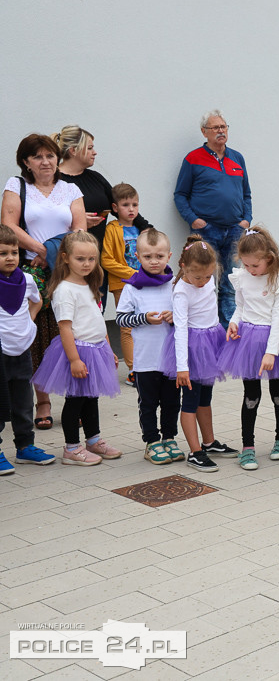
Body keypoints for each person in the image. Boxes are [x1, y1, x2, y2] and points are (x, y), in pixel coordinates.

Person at [1, 134, 87, 430]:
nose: (45, 161)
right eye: (37, 157)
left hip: (66, 269)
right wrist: (40, 251)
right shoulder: (17, 186)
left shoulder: (70, 188)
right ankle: (44, 401)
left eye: (50, 155)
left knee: (69, 332)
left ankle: (74, 401)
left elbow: (79, 230)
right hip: (30, 271)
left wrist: (53, 254)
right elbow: (8, 225)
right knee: (37, 335)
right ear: (26, 162)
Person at [32, 232, 121, 466]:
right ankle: (72, 448)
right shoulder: (64, 290)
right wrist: (74, 360)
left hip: (96, 348)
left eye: (92, 259)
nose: (87, 264)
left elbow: (98, 322)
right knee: (76, 401)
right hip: (78, 351)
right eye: (80, 259)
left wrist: (109, 349)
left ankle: (94, 440)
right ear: (65, 258)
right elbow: (65, 329)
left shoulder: (89, 284)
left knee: (91, 398)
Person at [218, 226, 279, 471]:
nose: (251, 270)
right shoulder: (242, 277)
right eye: (247, 265)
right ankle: (248, 447)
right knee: (251, 395)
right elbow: (240, 307)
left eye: (255, 266)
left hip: (274, 341)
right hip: (248, 341)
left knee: (278, 393)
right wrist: (233, 322)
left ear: (269, 259)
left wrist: (271, 352)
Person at [53, 125, 152, 309]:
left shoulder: (95, 178)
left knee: (96, 313)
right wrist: (77, 220)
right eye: (90, 148)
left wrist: (148, 230)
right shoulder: (53, 180)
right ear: (74, 151)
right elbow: (47, 218)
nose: (95, 152)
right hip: (65, 261)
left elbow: (120, 207)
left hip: (96, 261)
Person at [161, 234, 235, 472]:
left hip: (211, 342)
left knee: (206, 397)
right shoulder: (182, 291)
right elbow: (180, 329)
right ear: (183, 267)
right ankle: (195, 452)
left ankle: (209, 442)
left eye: (207, 276)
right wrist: (182, 366)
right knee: (190, 401)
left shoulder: (207, 280)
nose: (203, 281)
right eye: (197, 276)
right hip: (192, 349)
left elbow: (211, 311)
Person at [173, 110, 252, 326]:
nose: (220, 131)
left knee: (231, 283)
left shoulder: (237, 158)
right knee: (206, 282)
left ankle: (229, 331)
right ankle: (207, 327)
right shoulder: (193, 158)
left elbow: (246, 193)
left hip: (235, 230)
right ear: (204, 132)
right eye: (215, 128)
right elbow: (180, 195)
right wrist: (194, 220)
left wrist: (246, 219)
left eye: (223, 127)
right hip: (206, 231)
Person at [114, 229, 182, 465]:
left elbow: (186, 314)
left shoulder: (175, 284)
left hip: (172, 359)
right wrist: (143, 318)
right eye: (147, 256)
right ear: (137, 256)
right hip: (145, 359)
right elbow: (121, 319)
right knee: (149, 403)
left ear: (169, 256)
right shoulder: (132, 287)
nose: (154, 261)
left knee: (173, 401)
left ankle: (170, 438)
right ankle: (152, 442)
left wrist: (175, 316)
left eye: (159, 256)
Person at [0, 225, 53, 468]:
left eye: (14, 252)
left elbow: (37, 301)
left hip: (21, 350)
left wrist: (28, 324)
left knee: (23, 401)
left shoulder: (28, 280)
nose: (10, 258)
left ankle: (25, 446)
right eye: (2, 253)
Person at [101, 183, 147, 385]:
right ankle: (133, 370)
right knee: (128, 327)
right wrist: (132, 274)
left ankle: (146, 366)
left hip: (145, 284)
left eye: (135, 204)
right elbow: (107, 260)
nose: (131, 209)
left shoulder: (141, 229)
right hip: (123, 285)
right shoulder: (112, 229)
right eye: (126, 204)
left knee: (144, 324)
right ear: (115, 207)